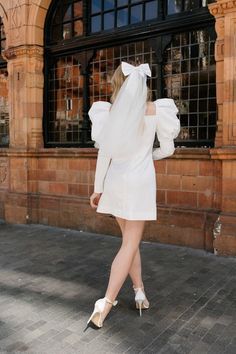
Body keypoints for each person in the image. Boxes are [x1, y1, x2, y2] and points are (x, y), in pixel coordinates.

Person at [86, 61, 180, 329]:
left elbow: (104, 153)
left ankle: (139, 291)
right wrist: (150, 156)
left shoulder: (111, 112)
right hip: (140, 182)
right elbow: (168, 149)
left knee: (130, 241)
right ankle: (105, 302)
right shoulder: (155, 110)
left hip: (116, 181)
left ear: (119, 84)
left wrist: (98, 188)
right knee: (130, 243)